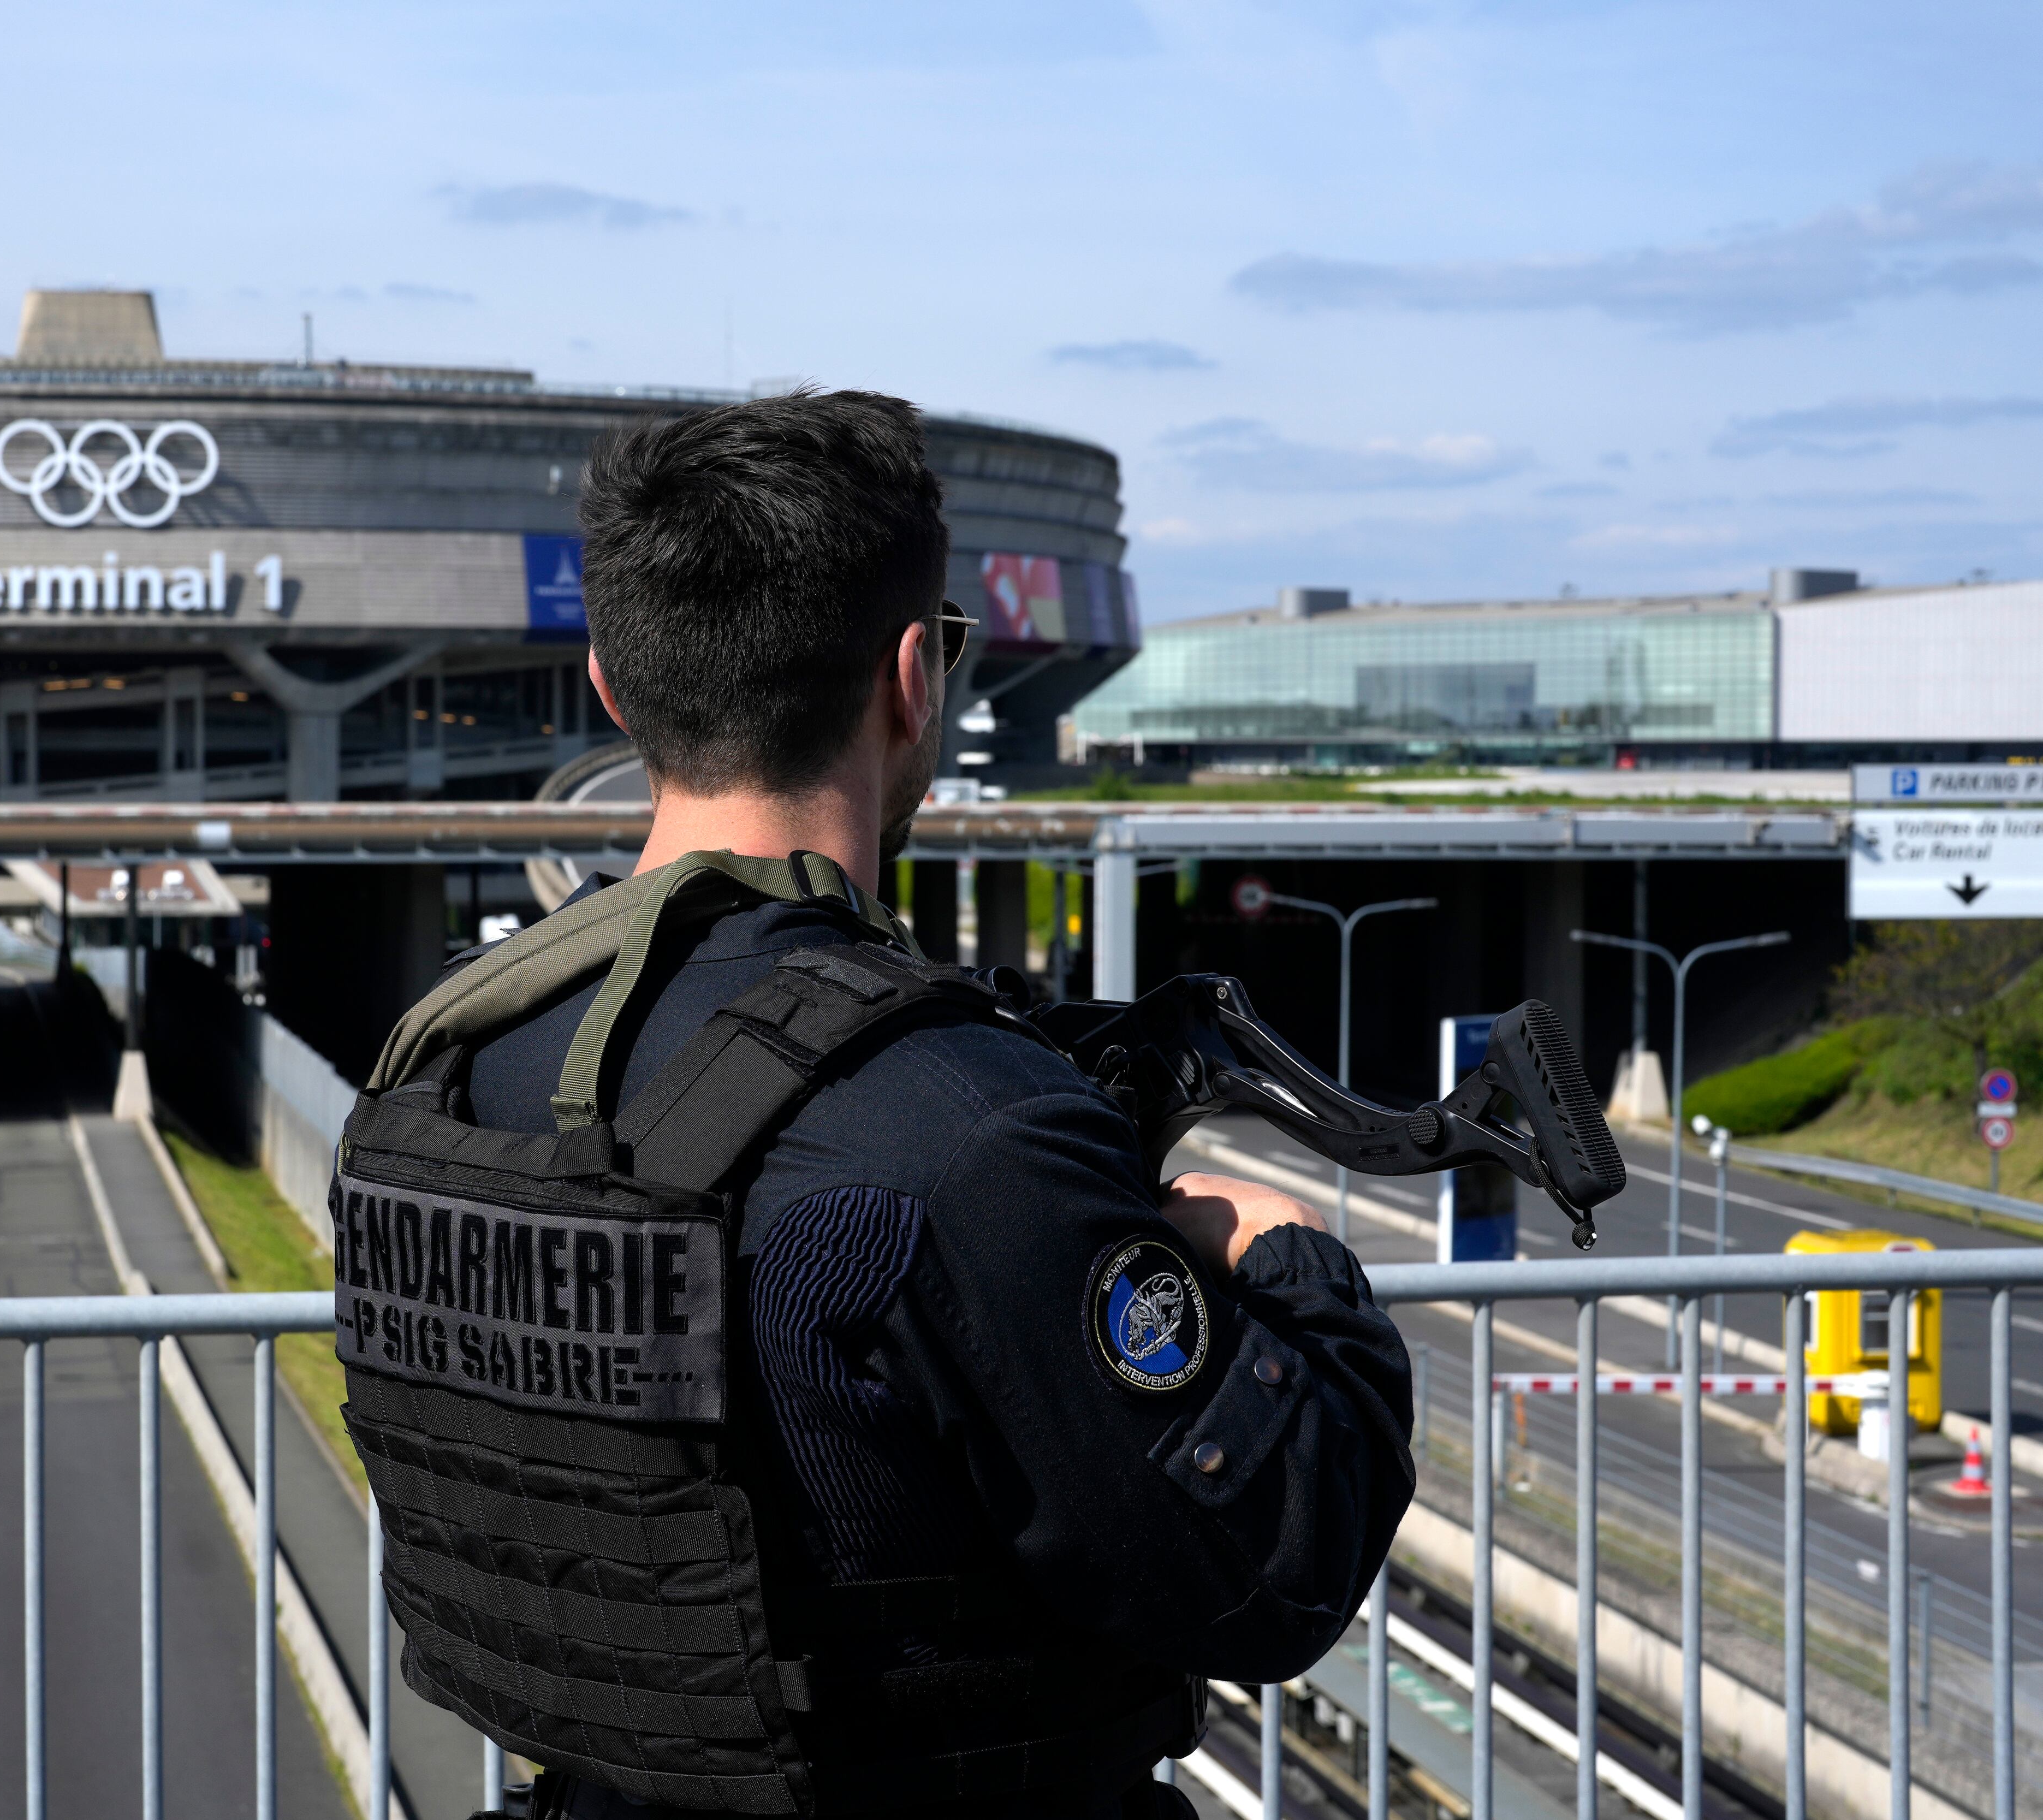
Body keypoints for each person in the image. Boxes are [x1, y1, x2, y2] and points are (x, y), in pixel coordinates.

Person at [335, 390, 1416, 1820]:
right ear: (915, 679)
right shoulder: (964, 1130)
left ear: (611, 683)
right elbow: (1279, 1565)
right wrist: (1280, 1255)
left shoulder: (448, 1072)